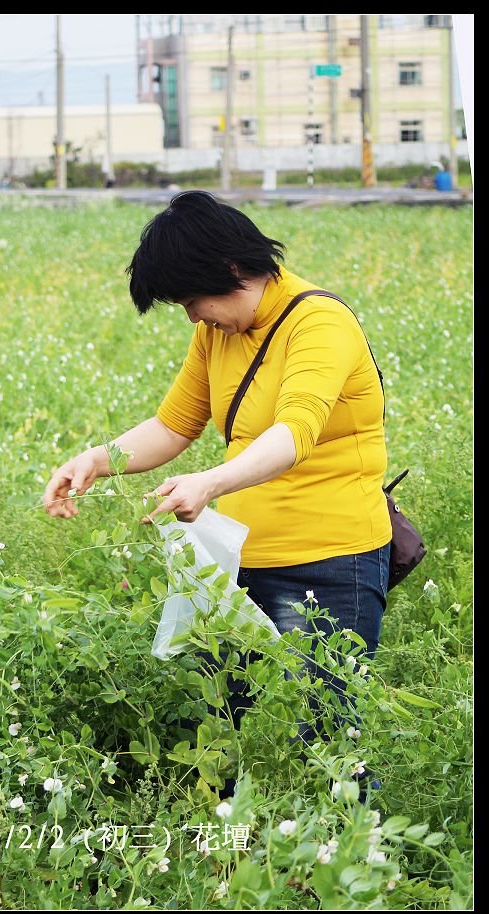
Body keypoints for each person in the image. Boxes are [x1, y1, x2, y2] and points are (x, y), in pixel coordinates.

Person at [43, 190, 392, 801]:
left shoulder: (320, 323)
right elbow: (175, 426)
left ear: (231, 271)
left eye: (190, 301)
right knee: (221, 728)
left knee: (330, 736)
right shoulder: (218, 334)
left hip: (332, 563)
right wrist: (95, 461)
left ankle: (358, 867)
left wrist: (212, 482)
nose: (191, 318)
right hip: (243, 562)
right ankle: (235, 860)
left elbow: (294, 433)